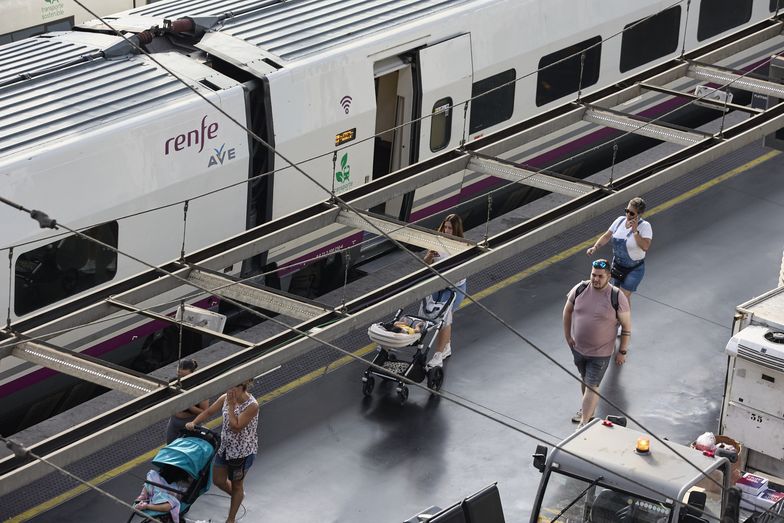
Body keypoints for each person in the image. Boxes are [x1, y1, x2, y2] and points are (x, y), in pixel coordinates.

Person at [562, 259, 631, 427]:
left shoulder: (617, 296)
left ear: (608, 276)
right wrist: (568, 337)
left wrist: (622, 351)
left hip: (601, 353)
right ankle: (588, 411)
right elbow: (567, 311)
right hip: (578, 349)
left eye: (600, 276)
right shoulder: (580, 289)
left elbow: (627, 326)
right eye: (593, 275)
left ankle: (584, 422)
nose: (595, 279)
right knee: (585, 380)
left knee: (592, 385)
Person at [186, 380, 259, 523]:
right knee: (218, 480)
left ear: (242, 387)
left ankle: (231, 519)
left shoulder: (252, 406)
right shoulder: (225, 398)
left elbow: (236, 426)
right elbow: (209, 411)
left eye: (233, 387)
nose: (230, 391)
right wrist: (194, 422)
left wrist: (231, 406)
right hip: (225, 447)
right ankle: (237, 496)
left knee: (237, 484)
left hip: (241, 452)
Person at [586, 197, 652, 303]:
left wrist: (635, 231)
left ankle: (619, 319)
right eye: (627, 211)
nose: (628, 215)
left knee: (620, 298)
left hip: (634, 269)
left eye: (631, 213)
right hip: (617, 266)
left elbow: (645, 246)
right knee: (622, 298)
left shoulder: (645, 226)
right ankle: (624, 319)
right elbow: (607, 236)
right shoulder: (619, 221)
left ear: (639, 215)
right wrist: (595, 247)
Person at [423, 214, 467, 368]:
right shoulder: (436, 241)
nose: (446, 230)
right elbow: (425, 264)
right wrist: (429, 256)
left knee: (444, 319)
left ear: (456, 231)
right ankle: (446, 346)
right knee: (439, 317)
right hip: (438, 285)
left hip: (455, 288)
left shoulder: (460, 247)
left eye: (450, 228)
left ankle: (439, 354)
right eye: (445, 227)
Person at [166, 359, 209, 444]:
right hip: (174, 422)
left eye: (185, 377)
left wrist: (189, 405)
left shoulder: (200, 387)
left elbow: (205, 411)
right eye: (179, 376)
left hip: (190, 423)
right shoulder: (174, 382)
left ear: (192, 373)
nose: (181, 380)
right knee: (170, 446)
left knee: (188, 449)